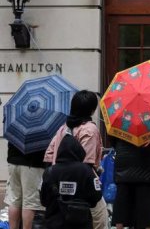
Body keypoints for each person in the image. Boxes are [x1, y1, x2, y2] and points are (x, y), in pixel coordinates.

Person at [43, 90, 109, 229]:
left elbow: (49, 154)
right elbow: (87, 162)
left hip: (58, 188)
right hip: (83, 190)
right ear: (91, 110)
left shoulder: (63, 128)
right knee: (100, 222)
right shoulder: (89, 130)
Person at [40, 135, 103, 229]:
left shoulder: (49, 172)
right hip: (81, 223)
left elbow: (44, 200)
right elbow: (96, 196)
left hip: (54, 223)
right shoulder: (87, 171)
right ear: (79, 151)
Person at [111, 137, 150, 229]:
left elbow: (112, 139)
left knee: (121, 202)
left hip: (123, 159)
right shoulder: (149, 123)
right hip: (144, 162)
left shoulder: (120, 122)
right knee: (145, 205)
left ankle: (119, 226)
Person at [6, 142, 47, 229]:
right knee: (29, 203)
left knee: (14, 201)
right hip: (32, 165)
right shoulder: (39, 128)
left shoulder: (17, 128)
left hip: (13, 162)